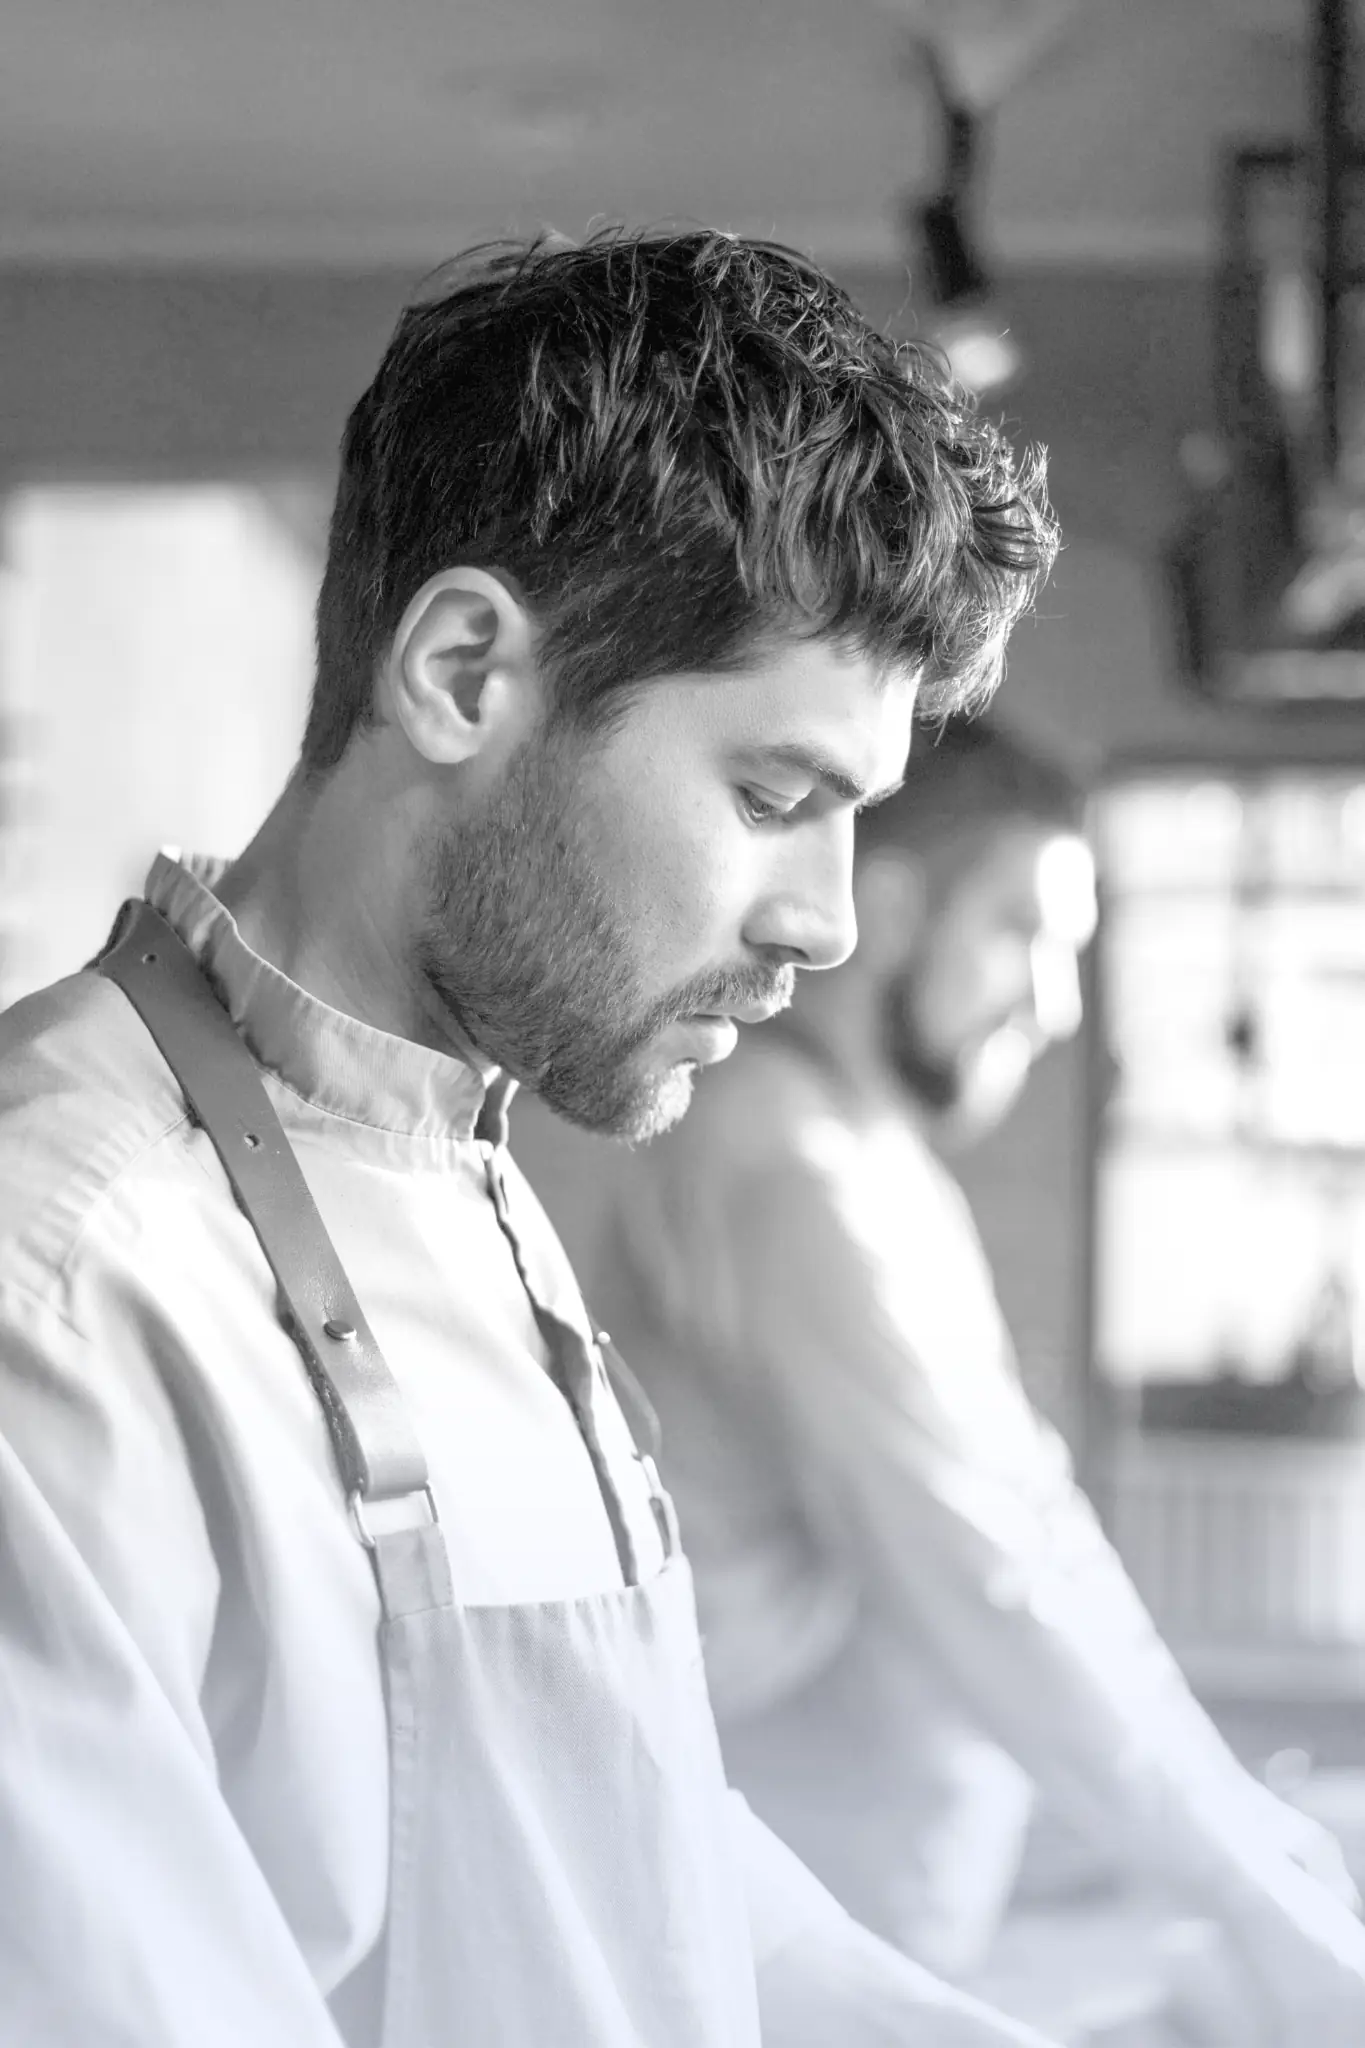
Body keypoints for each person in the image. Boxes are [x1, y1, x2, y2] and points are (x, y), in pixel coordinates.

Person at [0, 231, 1068, 2048]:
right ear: (466, 671)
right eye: (773, 797)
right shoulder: (62, 1283)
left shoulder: (455, 1171)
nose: (831, 922)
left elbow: (629, 1859)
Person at [585, 714, 1365, 2046]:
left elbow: (1044, 1538)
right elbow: (984, 1580)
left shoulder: (872, 1161)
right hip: (784, 1964)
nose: (1057, 1005)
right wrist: (1248, 1893)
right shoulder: (789, 1180)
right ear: (889, 908)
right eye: (1025, 934)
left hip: (911, 1920)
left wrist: (1247, 1836)